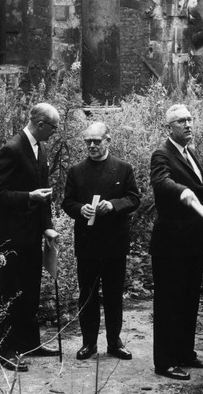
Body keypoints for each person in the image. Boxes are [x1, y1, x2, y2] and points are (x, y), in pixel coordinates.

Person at [0, 102, 62, 372]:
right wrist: (28, 197)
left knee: (30, 290)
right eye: (54, 128)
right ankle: (5, 349)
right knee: (9, 292)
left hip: (32, 234)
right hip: (10, 236)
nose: (55, 133)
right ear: (41, 125)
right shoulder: (12, 148)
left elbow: (44, 195)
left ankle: (29, 343)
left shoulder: (41, 148)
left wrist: (48, 226)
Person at [61, 122, 141, 361]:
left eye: (97, 141)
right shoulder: (76, 170)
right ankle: (89, 343)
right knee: (87, 294)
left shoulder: (123, 168)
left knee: (114, 294)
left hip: (114, 242)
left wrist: (114, 205)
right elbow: (67, 202)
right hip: (87, 242)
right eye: (88, 142)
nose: (92, 146)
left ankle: (114, 343)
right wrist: (80, 209)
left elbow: (134, 198)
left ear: (108, 140)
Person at [149, 104, 203, 381]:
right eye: (180, 121)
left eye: (189, 119)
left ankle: (185, 353)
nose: (188, 124)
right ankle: (165, 362)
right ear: (169, 127)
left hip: (192, 239)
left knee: (189, 298)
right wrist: (182, 189)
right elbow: (161, 182)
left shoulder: (190, 152)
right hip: (170, 243)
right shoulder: (162, 154)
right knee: (168, 301)